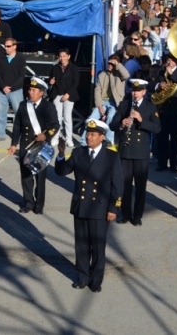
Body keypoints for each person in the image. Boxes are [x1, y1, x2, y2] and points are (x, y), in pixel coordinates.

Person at [54, 119, 122, 293]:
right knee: (82, 245)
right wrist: (61, 155)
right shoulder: (78, 153)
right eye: (87, 133)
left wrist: (113, 208)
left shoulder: (111, 156)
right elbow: (62, 172)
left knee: (98, 247)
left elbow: (117, 185)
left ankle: (96, 279)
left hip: (100, 208)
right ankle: (83, 276)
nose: (88, 137)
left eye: (93, 134)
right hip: (82, 206)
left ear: (101, 137)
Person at [109, 78, 161, 226]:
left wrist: (141, 120)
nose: (135, 93)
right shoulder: (125, 105)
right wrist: (121, 123)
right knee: (124, 185)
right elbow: (112, 125)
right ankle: (125, 214)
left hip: (141, 153)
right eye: (133, 90)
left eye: (138, 91)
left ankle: (137, 216)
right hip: (125, 150)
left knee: (140, 187)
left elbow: (157, 128)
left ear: (144, 91)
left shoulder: (150, 106)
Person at [8, 77, 59, 215]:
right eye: (30, 89)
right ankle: (28, 202)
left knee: (40, 177)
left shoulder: (48, 106)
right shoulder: (23, 105)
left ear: (41, 92)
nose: (30, 92)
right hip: (26, 145)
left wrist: (46, 135)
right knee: (26, 176)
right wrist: (13, 144)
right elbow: (17, 125)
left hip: (41, 146)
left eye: (34, 90)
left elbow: (55, 125)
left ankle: (39, 204)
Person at [153, 53, 177, 172]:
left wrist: (172, 74)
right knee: (162, 138)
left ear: (176, 61)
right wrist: (159, 85)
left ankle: (174, 164)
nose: (169, 62)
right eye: (168, 60)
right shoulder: (161, 71)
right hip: (163, 109)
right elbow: (154, 84)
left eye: (172, 60)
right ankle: (161, 163)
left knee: (175, 139)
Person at [0, 38, 27, 142]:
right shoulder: (1, 58)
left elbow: (22, 75)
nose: (5, 48)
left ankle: (20, 134)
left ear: (14, 46)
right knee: (0, 113)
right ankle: (0, 134)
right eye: (5, 46)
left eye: (8, 46)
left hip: (15, 91)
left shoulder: (21, 58)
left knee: (19, 113)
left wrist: (11, 87)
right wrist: (3, 87)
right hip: (2, 90)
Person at [48, 48, 80, 147]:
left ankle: (69, 139)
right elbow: (51, 79)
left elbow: (76, 82)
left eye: (64, 56)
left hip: (69, 95)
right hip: (57, 93)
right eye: (60, 56)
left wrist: (68, 93)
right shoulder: (55, 67)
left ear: (68, 56)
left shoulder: (73, 68)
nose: (62, 58)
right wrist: (51, 82)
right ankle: (55, 137)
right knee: (57, 117)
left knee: (67, 117)